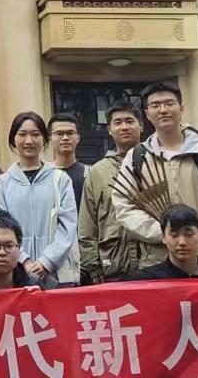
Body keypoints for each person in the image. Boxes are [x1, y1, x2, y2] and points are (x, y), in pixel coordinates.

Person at [112, 81, 198, 271]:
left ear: (181, 108)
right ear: (147, 114)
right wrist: (165, 232)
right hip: (155, 264)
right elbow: (123, 207)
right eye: (155, 105)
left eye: (169, 103)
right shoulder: (137, 157)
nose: (163, 110)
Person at [0, 112, 79, 287]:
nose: (29, 141)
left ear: (45, 140)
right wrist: (24, 260)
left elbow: (68, 226)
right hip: (14, 274)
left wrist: (46, 262)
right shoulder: (1, 185)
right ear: (13, 140)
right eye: (22, 134)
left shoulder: (60, 179)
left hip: (57, 274)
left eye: (35, 134)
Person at [79, 100, 145, 284]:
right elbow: (87, 223)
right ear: (109, 129)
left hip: (152, 262)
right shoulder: (98, 172)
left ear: (141, 126)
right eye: (118, 122)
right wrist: (93, 265)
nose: (124, 127)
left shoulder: (156, 162)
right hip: (113, 265)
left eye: (129, 121)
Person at [127, 204, 198, 282]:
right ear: (163, 237)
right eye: (174, 235)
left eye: (189, 234)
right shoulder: (145, 280)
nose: (182, 242)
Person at [49, 113, 86, 209]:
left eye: (70, 133)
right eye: (59, 133)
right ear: (50, 138)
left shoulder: (89, 174)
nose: (65, 138)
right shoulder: (44, 175)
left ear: (78, 137)